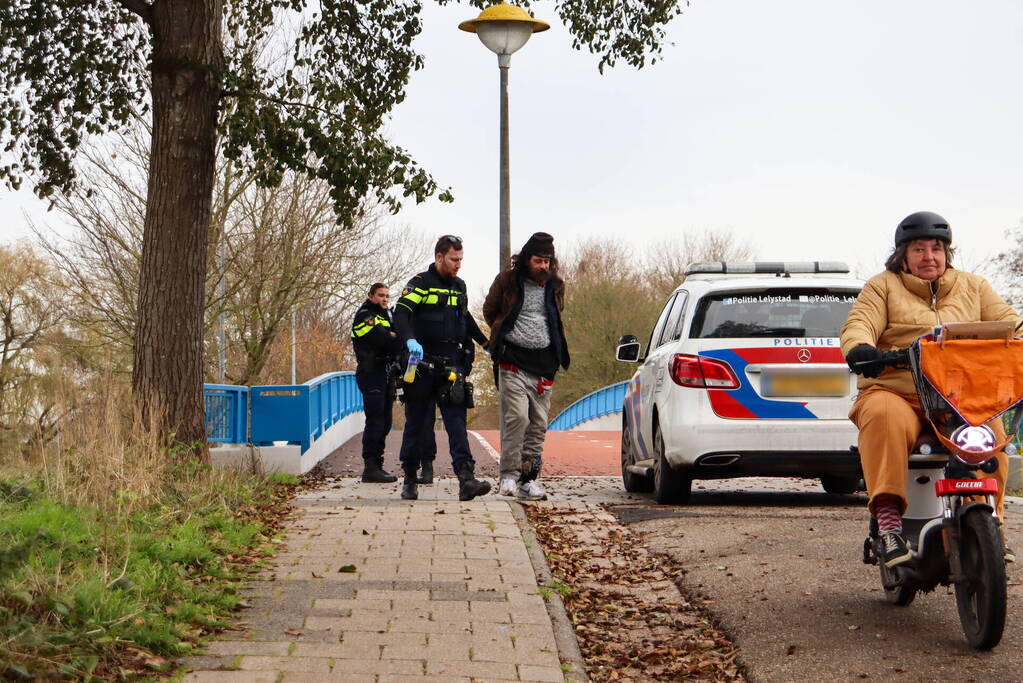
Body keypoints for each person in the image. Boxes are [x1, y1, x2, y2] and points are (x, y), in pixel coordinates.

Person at [841, 211, 1019, 567]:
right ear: (902, 256)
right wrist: (861, 348)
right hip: (897, 391)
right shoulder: (882, 286)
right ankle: (890, 525)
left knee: (991, 430)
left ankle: (992, 522)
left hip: (960, 398)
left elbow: (1008, 322)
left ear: (947, 253)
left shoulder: (975, 287)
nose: (929, 257)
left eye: (936, 248)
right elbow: (859, 324)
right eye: (918, 249)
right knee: (883, 414)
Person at [393, 235, 491, 501]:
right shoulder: (420, 283)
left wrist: (485, 343)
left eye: (461, 259)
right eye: (453, 259)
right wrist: (410, 340)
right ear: (439, 257)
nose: (458, 264)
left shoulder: (459, 286)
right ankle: (410, 478)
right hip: (422, 363)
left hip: (451, 365)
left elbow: (466, 318)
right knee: (416, 424)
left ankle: (466, 479)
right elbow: (400, 313)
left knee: (457, 424)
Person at [483, 232, 570, 500]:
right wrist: (503, 336)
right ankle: (508, 476)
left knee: (537, 425)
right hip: (513, 362)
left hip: (544, 365)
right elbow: (490, 310)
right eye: (538, 260)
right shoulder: (507, 281)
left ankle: (528, 480)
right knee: (517, 418)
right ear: (525, 259)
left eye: (547, 261)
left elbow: (554, 318)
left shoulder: (556, 284)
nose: (543, 266)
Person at [351, 283, 403, 483]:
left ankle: (377, 465)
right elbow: (383, 339)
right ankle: (370, 467)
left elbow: (396, 340)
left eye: (387, 296)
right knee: (375, 420)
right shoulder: (364, 315)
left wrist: (393, 336)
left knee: (386, 421)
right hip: (371, 372)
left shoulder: (385, 315)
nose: (385, 299)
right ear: (371, 295)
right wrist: (391, 335)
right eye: (381, 295)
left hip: (386, 373)